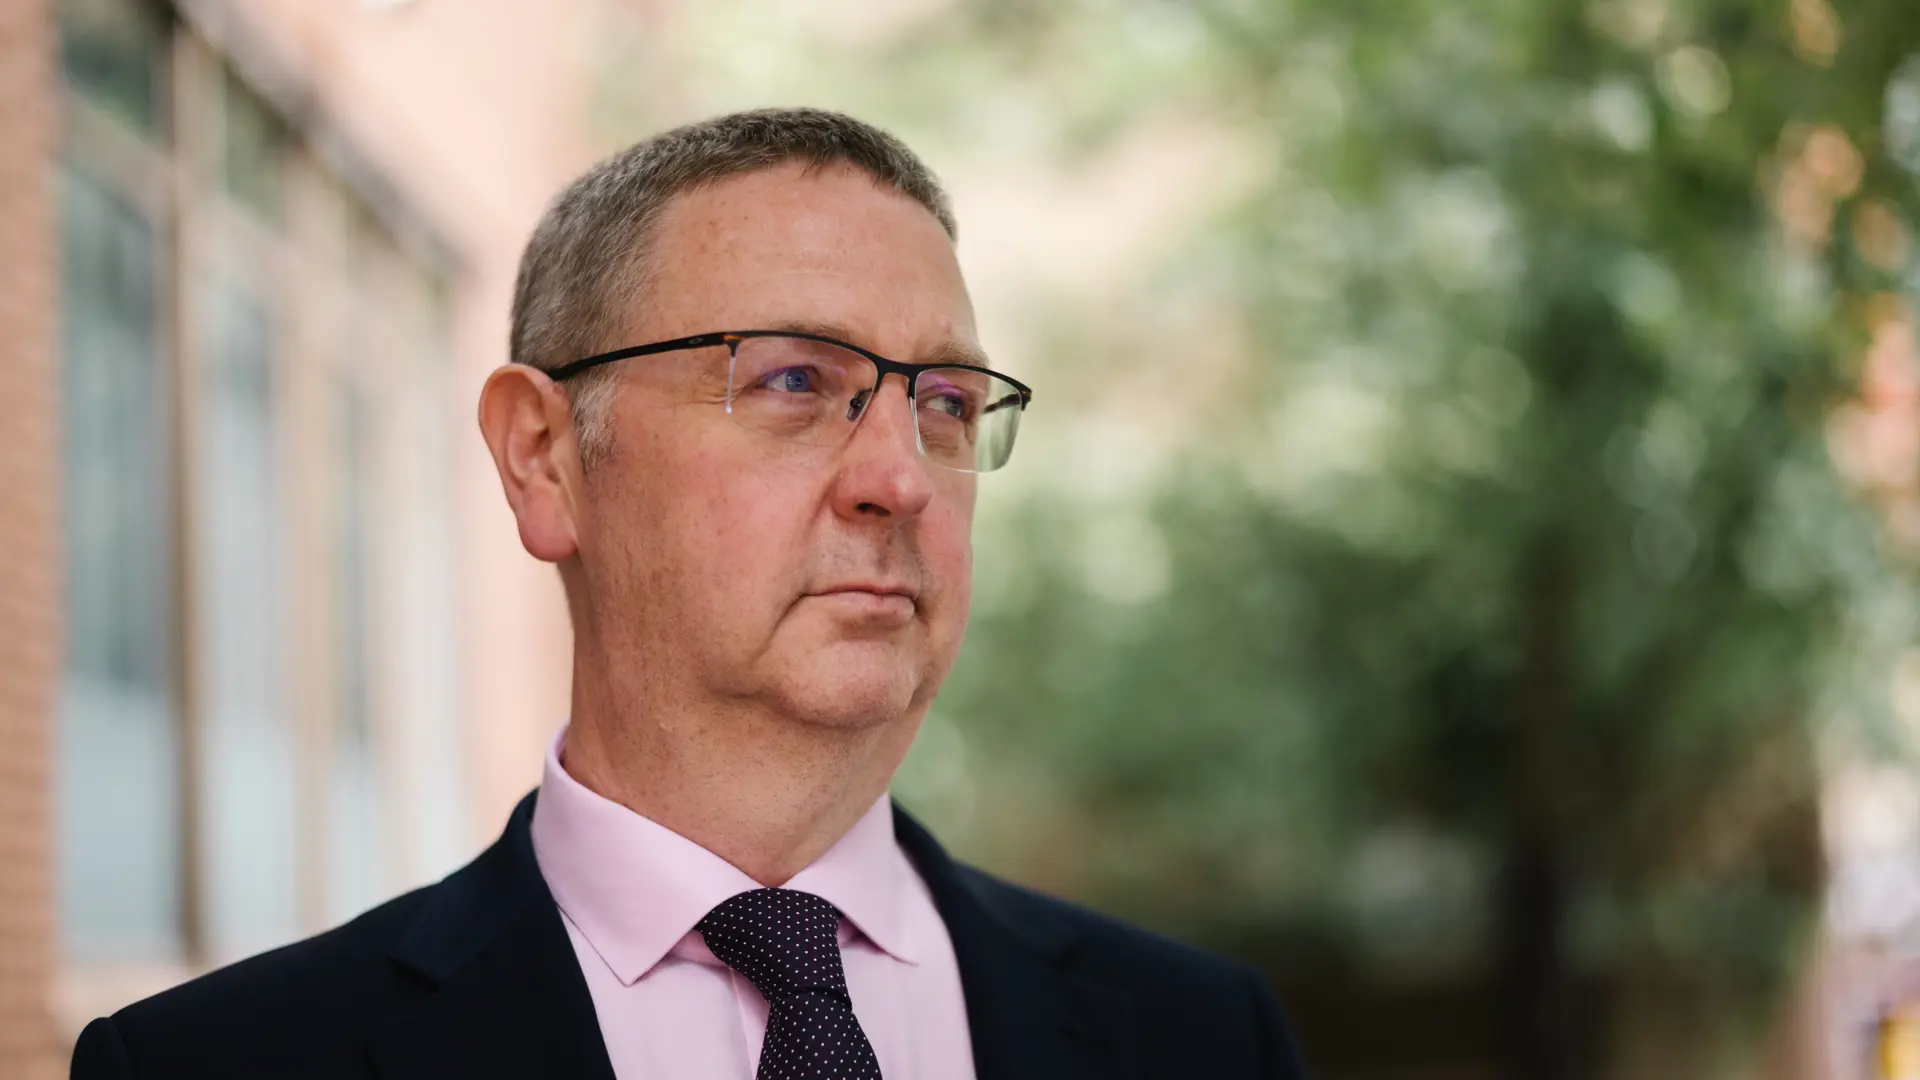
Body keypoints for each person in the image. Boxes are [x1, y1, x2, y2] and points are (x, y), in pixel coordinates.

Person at [69, 107, 1309, 1080]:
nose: (900, 479)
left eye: (945, 403)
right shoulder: (216, 1065)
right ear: (544, 459)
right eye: (793, 381)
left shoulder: (1204, 1040)